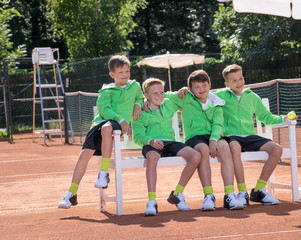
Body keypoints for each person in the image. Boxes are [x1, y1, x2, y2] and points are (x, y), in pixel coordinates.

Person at [58, 55, 143, 209]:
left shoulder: (135, 86)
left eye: (127, 71)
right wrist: (122, 119)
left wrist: (137, 104)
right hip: (102, 123)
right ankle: (71, 194)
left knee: (107, 128)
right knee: (84, 155)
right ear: (112, 75)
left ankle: (104, 173)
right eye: (121, 72)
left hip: (114, 127)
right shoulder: (106, 90)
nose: (125, 75)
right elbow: (105, 109)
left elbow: (140, 96)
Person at [215, 64, 298, 206]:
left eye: (240, 78)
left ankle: (258, 190)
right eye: (234, 80)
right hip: (231, 137)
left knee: (277, 149)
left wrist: (284, 118)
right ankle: (242, 192)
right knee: (234, 147)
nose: (239, 82)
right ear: (226, 83)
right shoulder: (219, 96)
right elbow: (200, 97)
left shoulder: (252, 97)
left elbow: (266, 117)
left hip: (249, 136)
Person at [169, 70, 244, 211]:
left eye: (204, 85)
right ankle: (208, 195)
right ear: (190, 89)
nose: (201, 89)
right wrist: (180, 90)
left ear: (209, 85)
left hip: (212, 136)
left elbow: (218, 124)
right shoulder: (186, 98)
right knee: (203, 150)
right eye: (196, 87)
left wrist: (214, 139)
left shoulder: (216, 102)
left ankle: (229, 195)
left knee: (225, 147)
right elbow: (163, 96)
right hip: (194, 137)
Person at [133, 78, 201, 216]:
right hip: (151, 143)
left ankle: (177, 194)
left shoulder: (169, 103)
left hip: (170, 142)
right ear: (146, 96)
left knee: (196, 156)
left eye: (161, 92)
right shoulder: (140, 111)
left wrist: (183, 89)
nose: (160, 96)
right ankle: (152, 201)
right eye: (155, 93)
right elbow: (138, 136)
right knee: (152, 157)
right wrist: (150, 140)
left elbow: (178, 95)